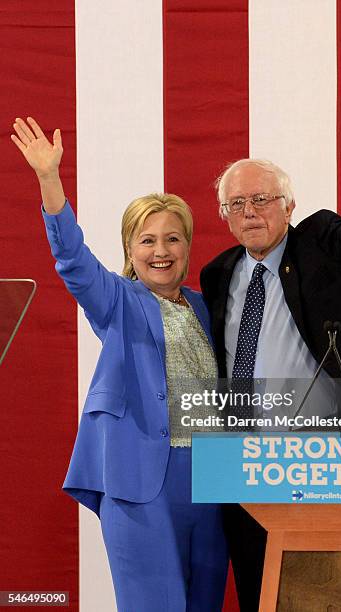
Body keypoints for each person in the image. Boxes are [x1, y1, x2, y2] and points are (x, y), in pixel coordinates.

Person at [200, 72, 341, 612]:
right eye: (236, 204)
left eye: (261, 199)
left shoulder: (322, 243)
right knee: (259, 587)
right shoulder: (217, 274)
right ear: (224, 216)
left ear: (289, 206)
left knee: (332, 589)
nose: (250, 212)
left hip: (329, 454)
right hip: (245, 460)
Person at [11, 117, 228, 612]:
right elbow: (73, 261)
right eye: (147, 239)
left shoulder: (204, 305)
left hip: (214, 478)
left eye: (172, 239)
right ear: (130, 249)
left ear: (188, 247)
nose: (160, 250)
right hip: (140, 479)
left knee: (203, 604)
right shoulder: (118, 300)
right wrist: (50, 179)